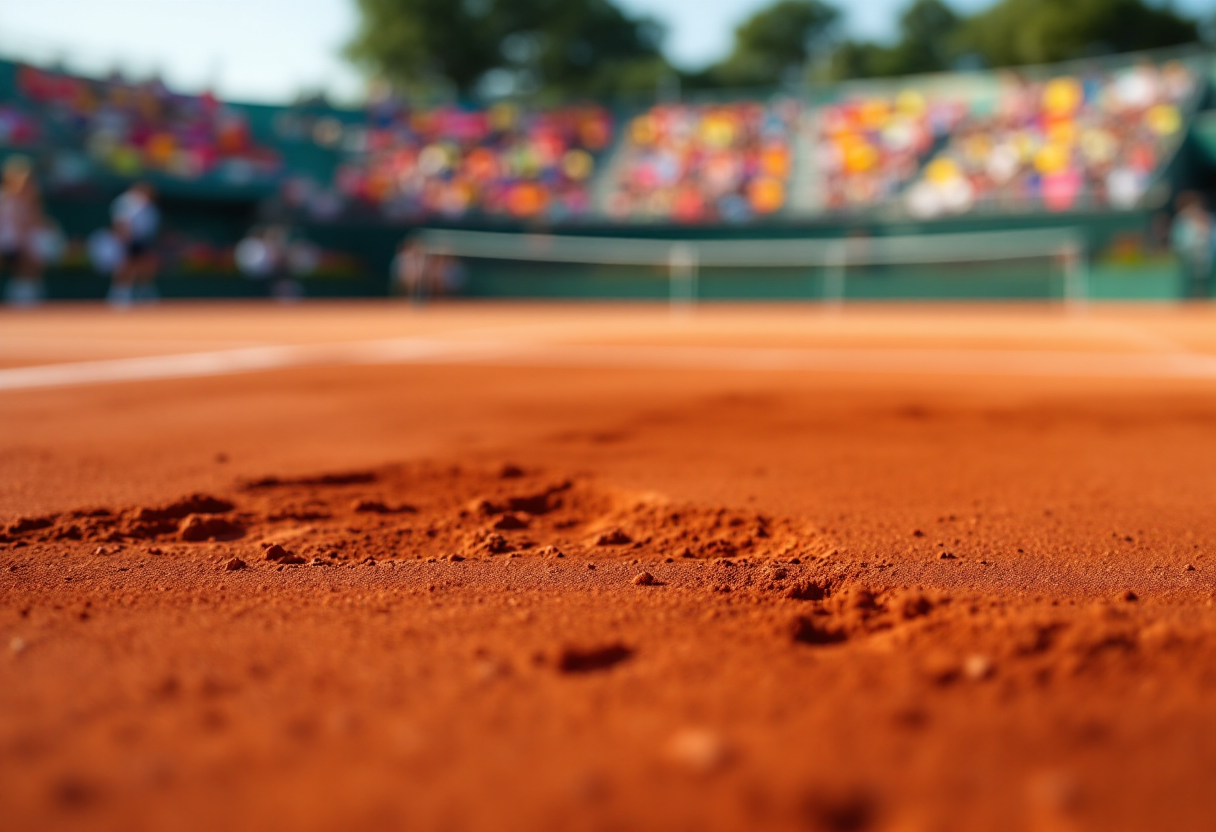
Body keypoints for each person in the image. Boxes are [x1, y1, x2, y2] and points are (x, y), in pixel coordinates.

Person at [0, 155, 46, 306]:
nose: (25, 185)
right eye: (22, 181)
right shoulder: (4, 198)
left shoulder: (28, 201)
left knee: (32, 265)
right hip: (7, 243)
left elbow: (35, 223)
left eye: (28, 181)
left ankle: (24, 301)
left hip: (20, 244)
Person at [108, 181, 160, 306]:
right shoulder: (125, 201)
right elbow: (120, 222)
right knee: (124, 266)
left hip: (141, 240)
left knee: (145, 265)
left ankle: (144, 294)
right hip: (125, 240)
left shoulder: (149, 206)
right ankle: (119, 294)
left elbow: (150, 226)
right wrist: (124, 238)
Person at [1170, 192, 1214, 299]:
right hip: (1187, 257)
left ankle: (1204, 299)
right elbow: (1178, 241)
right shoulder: (1181, 221)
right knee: (1188, 283)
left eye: (1196, 205)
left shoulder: (1207, 219)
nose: (1194, 209)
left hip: (1205, 257)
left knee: (1203, 281)